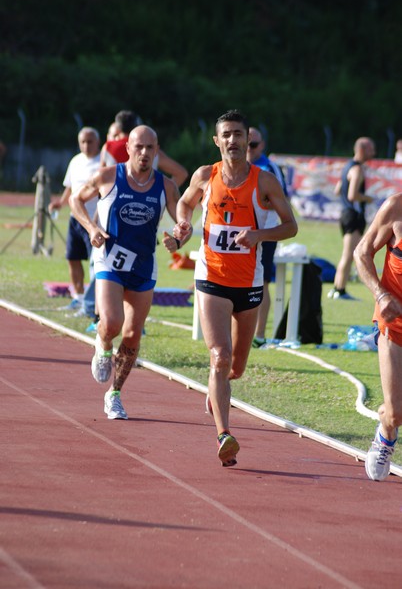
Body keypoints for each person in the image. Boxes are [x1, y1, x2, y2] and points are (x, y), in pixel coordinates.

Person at [172, 110, 297, 467]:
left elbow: (291, 227)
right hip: (211, 278)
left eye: (238, 134)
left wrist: (259, 235)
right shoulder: (204, 176)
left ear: (247, 140)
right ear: (217, 140)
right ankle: (224, 435)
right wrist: (183, 224)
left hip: (249, 282)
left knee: (236, 367)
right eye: (226, 134)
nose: (233, 140)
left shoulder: (265, 182)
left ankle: (219, 390)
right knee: (219, 356)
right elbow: (185, 203)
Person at [69, 125, 182, 420]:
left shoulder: (166, 186)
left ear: (156, 151)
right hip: (109, 260)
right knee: (112, 322)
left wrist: (178, 237)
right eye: (139, 147)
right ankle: (103, 344)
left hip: (144, 265)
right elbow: (75, 199)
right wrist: (92, 227)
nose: (144, 153)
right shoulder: (108, 176)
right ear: (129, 148)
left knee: (132, 335)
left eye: (150, 148)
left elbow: (182, 221)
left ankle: (114, 394)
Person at [354, 192, 402, 481]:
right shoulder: (396, 207)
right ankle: (386, 433)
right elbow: (362, 252)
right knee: (396, 414)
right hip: (395, 325)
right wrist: (380, 294)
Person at [49, 127, 101, 312]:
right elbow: (70, 188)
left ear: (98, 142)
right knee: (72, 258)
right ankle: (78, 298)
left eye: (90, 141)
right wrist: (60, 203)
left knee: (96, 263)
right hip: (75, 218)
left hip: (94, 221)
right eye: (83, 142)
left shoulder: (103, 162)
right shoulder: (75, 161)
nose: (86, 145)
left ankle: (94, 302)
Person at [247, 126, 289, 347]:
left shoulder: (268, 168)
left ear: (261, 145)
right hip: (239, 233)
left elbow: (281, 201)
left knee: (260, 283)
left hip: (264, 234)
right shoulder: (236, 167)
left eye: (254, 145)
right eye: (247, 143)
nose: (249, 149)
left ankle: (259, 335)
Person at [327, 137, 376, 300]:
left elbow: (337, 190)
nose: (374, 152)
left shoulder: (347, 166)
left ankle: (337, 288)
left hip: (345, 213)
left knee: (348, 253)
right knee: (349, 254)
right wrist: (368, 199)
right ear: (362, 149)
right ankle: (339, 289)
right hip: (353, 215)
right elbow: (352, 194)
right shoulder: (357, 170)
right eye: (371, 149)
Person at [101, 110, 189, 189]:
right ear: (137, 127)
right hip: (147, 202)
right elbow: (181, 174)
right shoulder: (152, 150)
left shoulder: (108, 147)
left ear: (118, 128)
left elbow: (101, 177)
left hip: (116, 201)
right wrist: (161, 193)